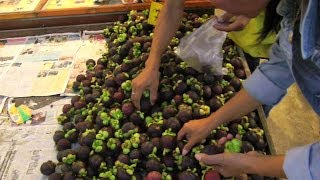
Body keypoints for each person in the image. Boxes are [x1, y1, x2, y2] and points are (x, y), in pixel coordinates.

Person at [131, 0, 320, 179]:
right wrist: (211, 122)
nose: (225, 12)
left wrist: (254, 165)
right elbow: (277, 71)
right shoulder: (293, 10)